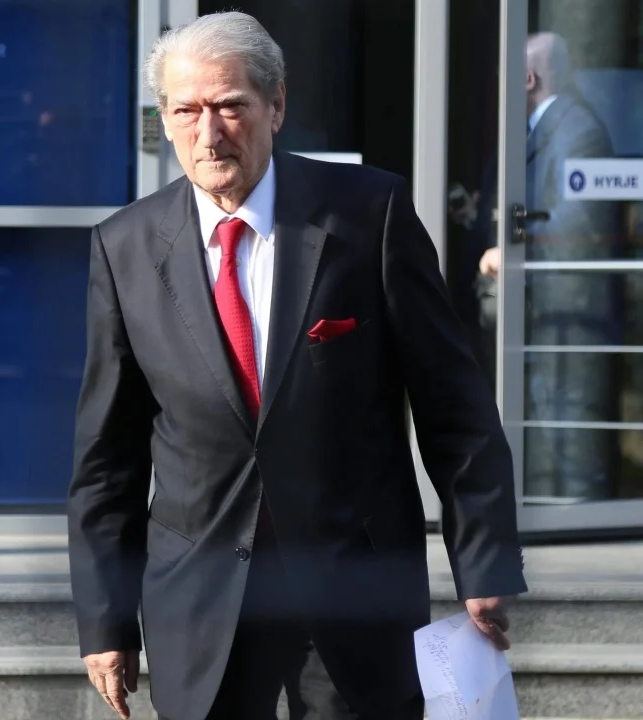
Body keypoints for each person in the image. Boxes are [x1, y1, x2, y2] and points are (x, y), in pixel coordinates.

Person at [67, 11, 528, 720]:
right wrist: (105, 620)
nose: (209, 133)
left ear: (276, 106)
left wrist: (484, 561)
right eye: (186, 111)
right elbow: (108, 456)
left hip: (353, 587)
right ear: (165, 117)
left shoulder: (369, 215)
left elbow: (454, 407)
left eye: (230, 107)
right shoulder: (123, 247)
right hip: (199, 599)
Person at [473, 31, 622, 502]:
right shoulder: (545, 128)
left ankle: (586, 529)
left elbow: (580, 223)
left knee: (571, 447)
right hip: (542, 317)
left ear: (528, 78)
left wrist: (513, 250)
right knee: (543, 439)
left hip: (569, 321)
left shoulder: (578, 129)